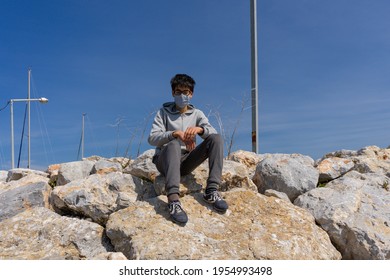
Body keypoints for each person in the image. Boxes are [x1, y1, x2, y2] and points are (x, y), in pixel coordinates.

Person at [148, 73, 228, 225]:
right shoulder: (163, 113)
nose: (182, 95)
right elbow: (152, 138)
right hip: (166, 160)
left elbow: (212, 131)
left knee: (216, 139)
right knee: (173, 144)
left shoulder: (197, 114)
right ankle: (173, 200)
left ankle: (211, 191)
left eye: (185, 92)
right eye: (178, 92)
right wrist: (174, 134)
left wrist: (200, 130)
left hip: (185, 162)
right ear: (173, 93)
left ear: (191, 94)